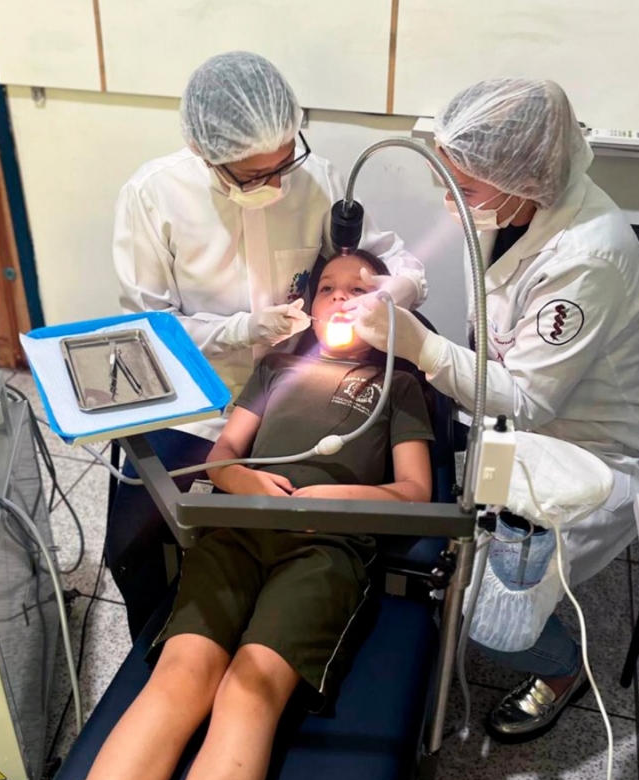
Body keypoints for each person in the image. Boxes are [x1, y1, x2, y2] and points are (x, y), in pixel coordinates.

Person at [350, 78, 639, 743]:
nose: (450, 200)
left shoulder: (587, 258)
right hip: (515, 433)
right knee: (459, 554)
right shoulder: (513, 212)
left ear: (523, 177)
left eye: (463, 189)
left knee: (479, 608)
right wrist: (401, 297)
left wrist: (419, 345)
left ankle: (561, 669)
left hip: (591, 459)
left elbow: (528, 397)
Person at [79, 252, 434, 780]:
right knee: (180, 676)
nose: (340, 297)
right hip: (237, 529)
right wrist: (241, 479)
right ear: (309, 306)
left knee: (250, 688)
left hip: (323, 550)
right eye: (327, 288)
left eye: (359, 290)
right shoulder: (276, 369)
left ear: (386, 308)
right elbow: (222, 454)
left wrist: (337, 498)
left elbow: (415, 492)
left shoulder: (396, 386)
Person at [107, 52, 425, 634]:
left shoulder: (318, 180)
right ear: (205, 151)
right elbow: (148, 330)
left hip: (292, 398)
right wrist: (240, 330)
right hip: (199, 406)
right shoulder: (154, 196)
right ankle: (163, 647)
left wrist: (394, 289)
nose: (278, 185)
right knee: (134, 546)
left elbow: (397, 262)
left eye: (284, 162)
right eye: (254, 176)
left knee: (302, 535)